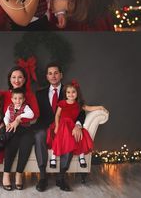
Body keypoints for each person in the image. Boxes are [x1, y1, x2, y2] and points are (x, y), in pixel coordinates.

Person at [34, 63, 85, 192]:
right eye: (50, 73)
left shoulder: (69, 91)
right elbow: (34, 112)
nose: (53, 76)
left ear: (61, 75)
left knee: (69, 136)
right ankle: (43, 177)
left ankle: (61, 177)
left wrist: (78, 125)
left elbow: (81, 110)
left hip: (64, 127)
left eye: (56, 73)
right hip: (46, 127)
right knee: (39, 135)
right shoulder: (39, 94)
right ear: (46, 76)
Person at [48, 80, 107, 182]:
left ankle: (81, 156)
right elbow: (57, 115)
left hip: (71, 125)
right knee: (61, 134)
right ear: (65, 94)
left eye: (73, 92)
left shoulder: (79, 104)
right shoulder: (62, 103)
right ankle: (53, 157)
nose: (71, 94)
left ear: (77, 93)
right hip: (62, 124)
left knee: (80, 134)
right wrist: (57, 126)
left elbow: (89, 108)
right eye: (68, 92)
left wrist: (100, 107)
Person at [0, 66, 39, 191]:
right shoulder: (5, 95)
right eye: (14, 77)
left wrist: (18, 120)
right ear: (10, 79)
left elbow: (35, 114)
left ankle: (19, 174)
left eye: (20, 77)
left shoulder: (29, 95)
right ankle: (6, 174)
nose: (17, 80)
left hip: (25, 128)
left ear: (24, 79)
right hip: (10, 128)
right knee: (12, 143)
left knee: (26, 143)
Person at [0, 88, 34, 155]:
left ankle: (2, 139)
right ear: (12, 99)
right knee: (3, 128)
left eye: (20, 98)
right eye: (15, 98)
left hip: (22, 127)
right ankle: (1, 142)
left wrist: (20, 116)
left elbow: (31, 114)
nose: (18, 101)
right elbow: (6, 117)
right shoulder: (10, 107)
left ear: (23, 99)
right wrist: (7, 124)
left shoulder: (25, 107)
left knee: (11, 130)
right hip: (11, 125)